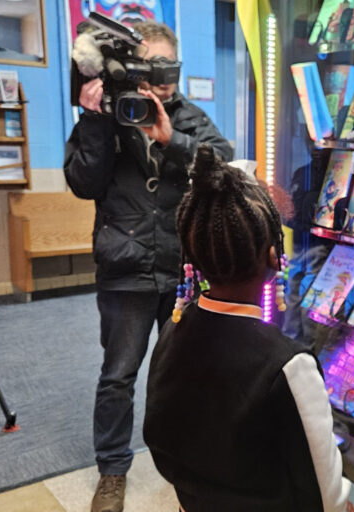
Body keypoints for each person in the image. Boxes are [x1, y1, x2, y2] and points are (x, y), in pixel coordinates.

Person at [63, 20, 232, 512]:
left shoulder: (187, 116)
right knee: (118, 375)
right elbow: (83, 183)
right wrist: (95, 121)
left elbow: (222, 163)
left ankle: (185, 466)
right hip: (125, 268)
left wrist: (170, 137)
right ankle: (112, 471)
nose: (161, 81)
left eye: (168, 68)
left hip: (181, 270)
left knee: (182, 374)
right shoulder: (107, 116)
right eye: (150, 69)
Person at [142, 145, 349, 511]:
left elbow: (162, 439)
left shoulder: (173, 330)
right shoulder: (289, 366)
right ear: (275, 256)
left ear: (193, 256)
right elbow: (326, 498)